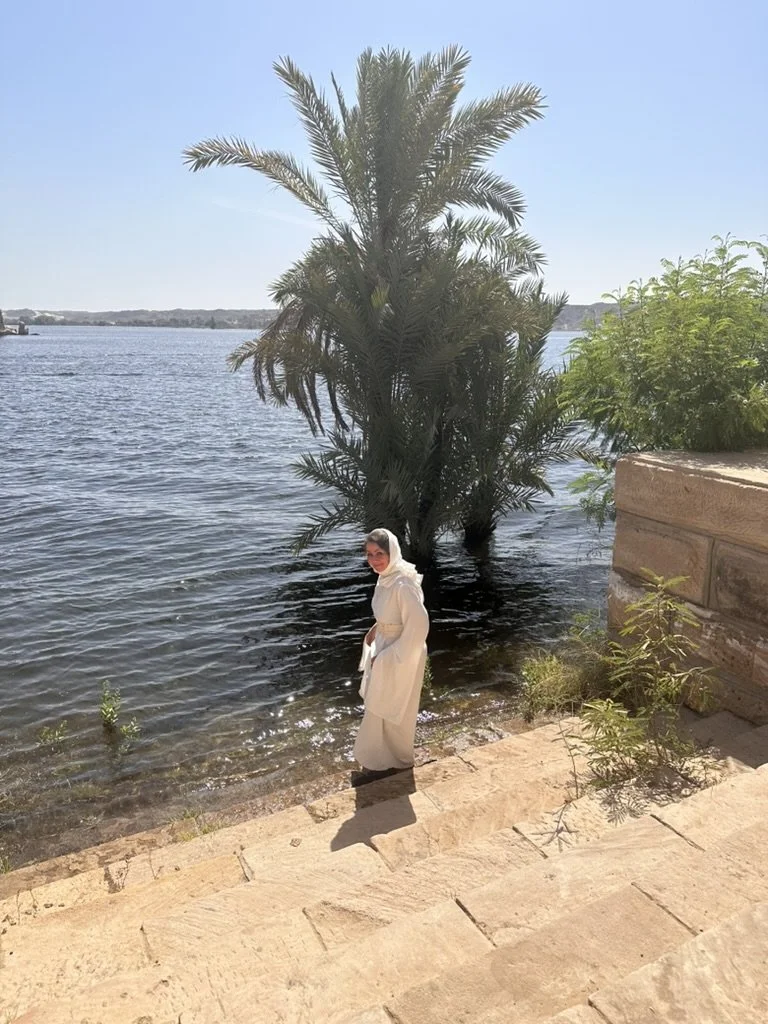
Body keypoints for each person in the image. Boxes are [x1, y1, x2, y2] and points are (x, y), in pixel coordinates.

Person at [352, 528, 429, 785]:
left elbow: (419, 626)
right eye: (369, 554)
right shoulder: (385, 577)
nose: (374, 560)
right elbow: (390, 614)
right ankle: (380, 761)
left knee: (394, 707)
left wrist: (388, 657)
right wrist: (377, 629)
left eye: (380, 553)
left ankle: (393, 762)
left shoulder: (403, 583)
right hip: (386, 647)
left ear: (392, 552)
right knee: (380, 706)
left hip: (402, 653)